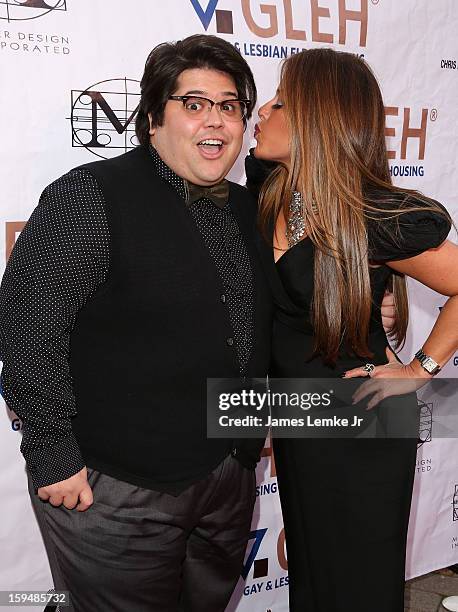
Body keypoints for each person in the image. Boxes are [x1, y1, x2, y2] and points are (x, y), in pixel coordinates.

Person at [0, 35, 273, 612]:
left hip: (227, 478)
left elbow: (251, 325)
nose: (216, 121)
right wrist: (53, 455)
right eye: (194, 103)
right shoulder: (90, 196)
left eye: (229, 106)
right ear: (152, 118)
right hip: (115, 490)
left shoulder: (249, 207)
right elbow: (28, 328)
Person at [247, 47, 458, 612]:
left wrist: (420, 370)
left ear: (318, 118)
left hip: (363, 418)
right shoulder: (269, 191)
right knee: (314, 576)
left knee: (358, 584)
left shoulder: (371, 216)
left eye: (281, 101)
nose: (262, 110)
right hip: (298, 415)